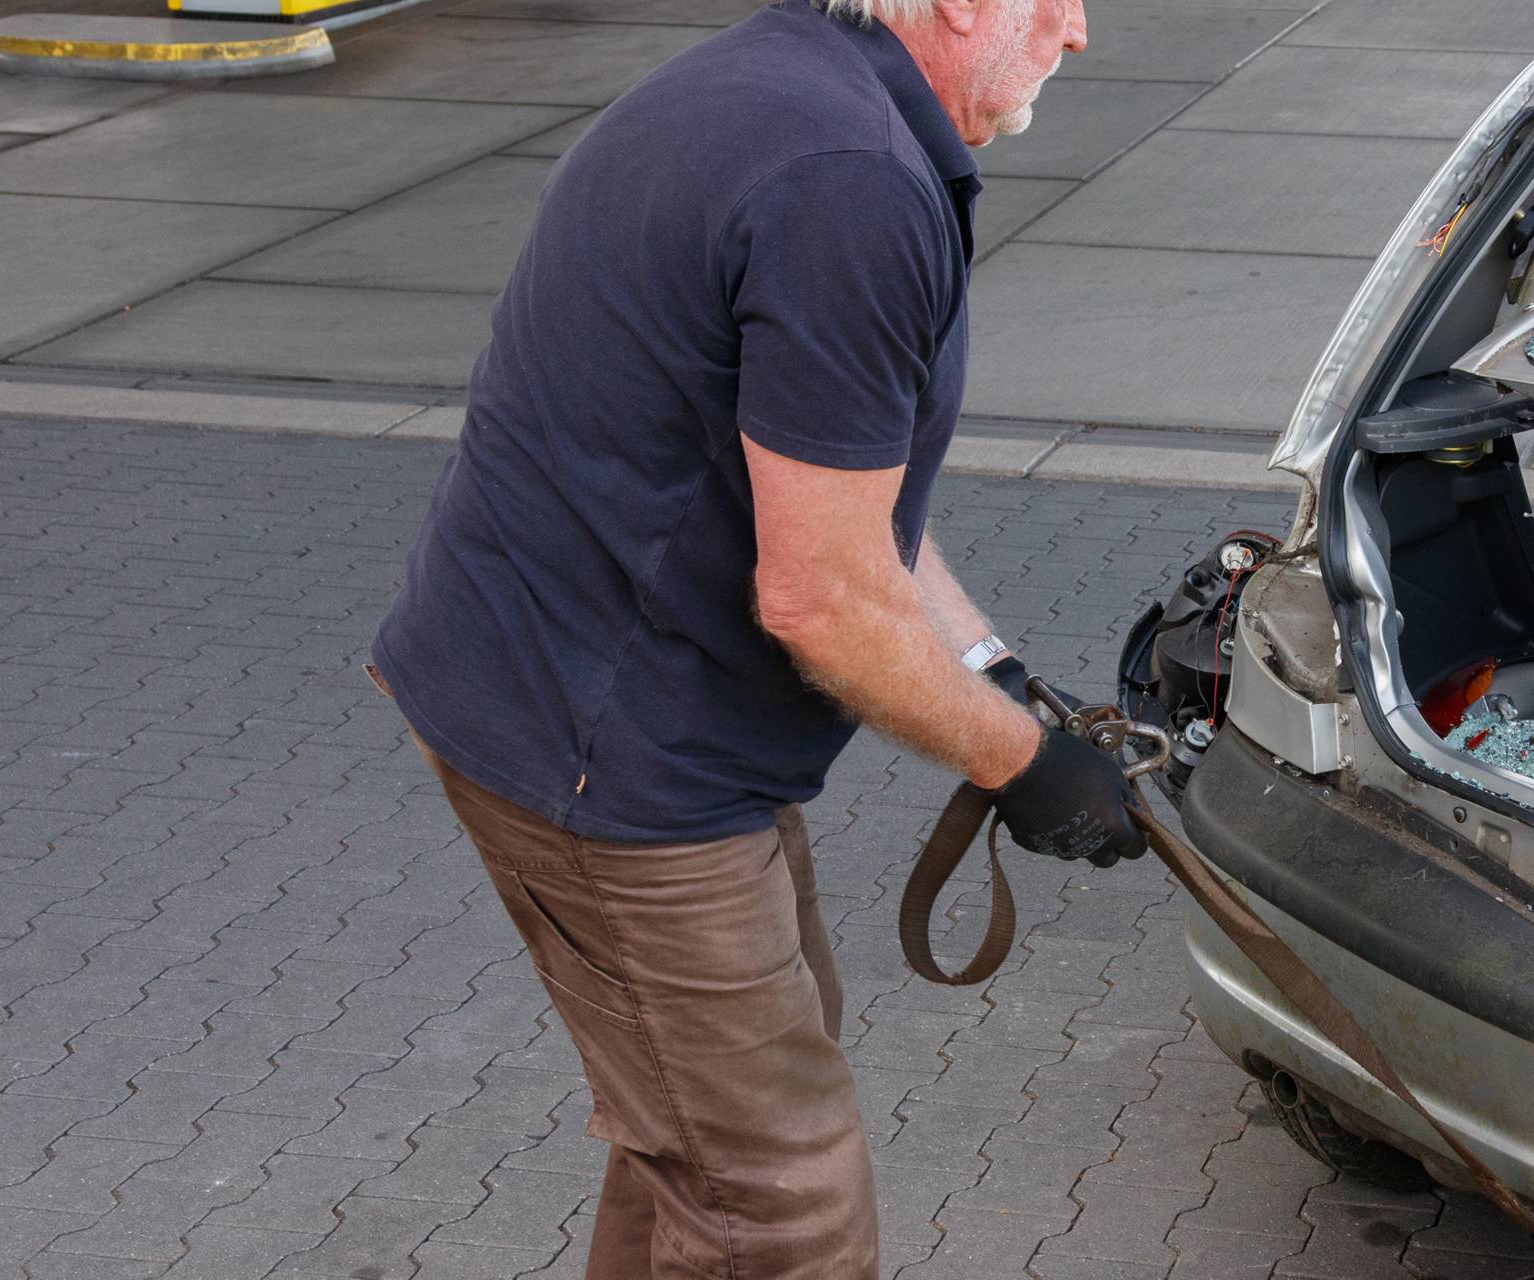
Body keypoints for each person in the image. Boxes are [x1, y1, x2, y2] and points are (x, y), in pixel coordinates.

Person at [366, 0, 1134, 1273]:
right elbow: (821, 598)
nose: (1080, 31)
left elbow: (845, 490)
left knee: (710, 1139)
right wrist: (1020, 764)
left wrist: (998, 678)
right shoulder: (852, 189)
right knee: (782, 1204)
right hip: (610, 757)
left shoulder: (783, 86)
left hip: (579, 702)